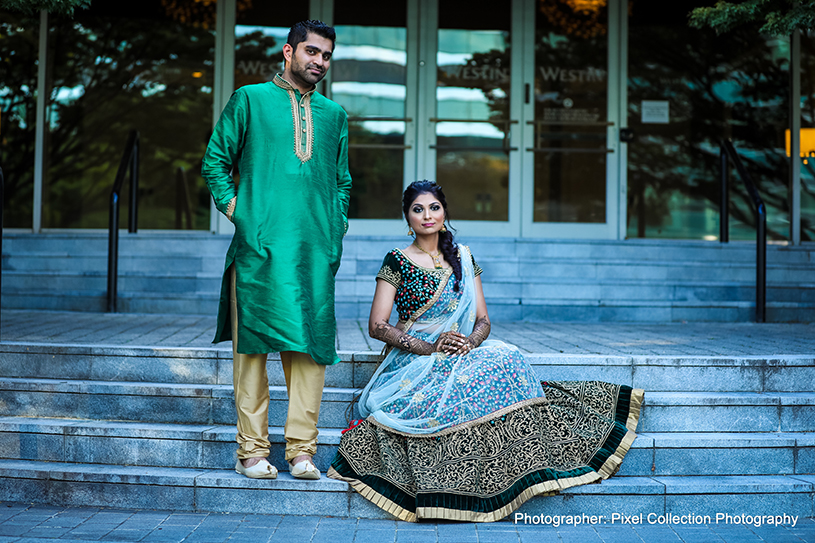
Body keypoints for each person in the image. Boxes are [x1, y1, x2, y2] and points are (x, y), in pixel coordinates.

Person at [327, 181, 643, 522]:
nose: (427, 215)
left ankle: (526, 461)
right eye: (418, 209)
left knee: (508, 357)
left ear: (444, 211)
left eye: (433, 207)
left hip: (460, 350)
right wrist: (430, 348)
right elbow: (378, 326)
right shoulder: (397, 260)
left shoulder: (462, 256)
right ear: (407, 217)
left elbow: (483, 320)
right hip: (413, 358)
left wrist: (470, 343)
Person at [202, 20, 352, 481]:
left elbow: (342, 183)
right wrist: (242, 216)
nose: (319, 62)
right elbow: (215, 162)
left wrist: (333, 230)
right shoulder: (249, 99)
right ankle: (251, 451)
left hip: (312, 254)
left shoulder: (334, 115)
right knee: (252, 352)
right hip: (259, 249)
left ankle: (302, 452)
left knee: (310, 351)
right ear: (288, 52)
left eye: (326, 56)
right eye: (311, 52)